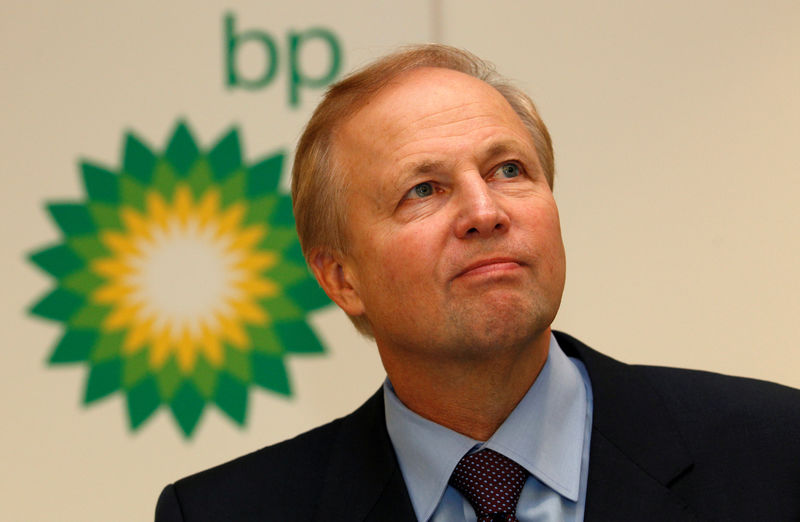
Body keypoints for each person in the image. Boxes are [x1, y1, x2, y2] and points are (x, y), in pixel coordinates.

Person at [155, 44, 800, 522]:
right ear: (341, 277)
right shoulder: (223, 513)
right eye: (424, 189)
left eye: (509, 169)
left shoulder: (775, 452)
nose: (486, 211)